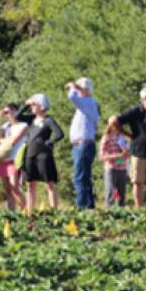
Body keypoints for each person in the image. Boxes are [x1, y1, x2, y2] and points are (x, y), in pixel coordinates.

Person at [110, 88, 146, 208]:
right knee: (137, 181)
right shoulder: (135, 111)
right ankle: (138, 207)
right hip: (137, 151)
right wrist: (127, 134)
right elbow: (114, 120)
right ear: (143, 100)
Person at [15, 95, 64, 216]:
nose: (32, 107)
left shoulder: (48, 120)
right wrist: (26, 104)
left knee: (49, 183)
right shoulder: (31, 119)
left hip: (43, 155)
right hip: (30, 155)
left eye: (34, 105)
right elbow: (17, 116)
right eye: (31, 106)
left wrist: (49, 143)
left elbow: (59, 134)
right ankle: (30, 213)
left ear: (41, 106)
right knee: (30, 184)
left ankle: (54, 212)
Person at [66, 78, 99, 209]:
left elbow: (72, 97)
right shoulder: (88, 104)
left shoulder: (87, 103)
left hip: (83, 145)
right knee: (84, 177)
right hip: (82, 145)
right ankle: (89, 205)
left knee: (78, 178)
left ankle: (81, 206)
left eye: (80, 88)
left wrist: (73, 87)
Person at [0, 104, 27, 211]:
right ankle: (12, 213)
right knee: (8, 189)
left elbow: (13, 142)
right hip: (4, 159)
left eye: (9, 112)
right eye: (5, 113)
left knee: (14, 187)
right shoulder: (6, 126)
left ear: (16, 111)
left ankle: (26, 211)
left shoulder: (23, 125)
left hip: (14, 159)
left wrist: (1, 140)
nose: (7, 115)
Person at [99, 121, 130, 208]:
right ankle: (108, 212)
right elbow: (101, 156)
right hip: (111, 169)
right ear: (110, 125)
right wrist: (116, 156)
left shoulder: (123, 138)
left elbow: (126, 155)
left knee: (121, 195)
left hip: (122, 169)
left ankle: (120, 213)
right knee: (111, 193)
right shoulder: (106, 138)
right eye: (115, 125)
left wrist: (121, 158)